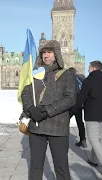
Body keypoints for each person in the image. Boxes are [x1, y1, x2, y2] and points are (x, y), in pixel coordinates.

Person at [21, 40, 76, 180]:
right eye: (44, 53)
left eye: (49, 52)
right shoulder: (35, 74)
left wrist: (46, 111)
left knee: (61, 168)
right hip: (37, 128)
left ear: (56, 54)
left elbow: (70, 99)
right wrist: (30, 108)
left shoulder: (67, 74)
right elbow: (26, 93)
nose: (46, 56)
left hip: (58, 128)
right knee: (35, 166)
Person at [72, 60, 102, 177]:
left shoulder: (88, 81)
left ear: (92, 68)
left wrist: (75, 109)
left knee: (93, 138)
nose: (88, 70)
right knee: (96, 138)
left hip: (91, 114)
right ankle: (93, 159)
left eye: (89, 68)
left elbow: (81, 98)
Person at [69, 67, 87, 148]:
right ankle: (83, 139)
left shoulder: (69, 80)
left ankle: (63, 139)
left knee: (65, 122)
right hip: (79, 105)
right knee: (80, 122)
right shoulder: (80, 79)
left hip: (70, 105)